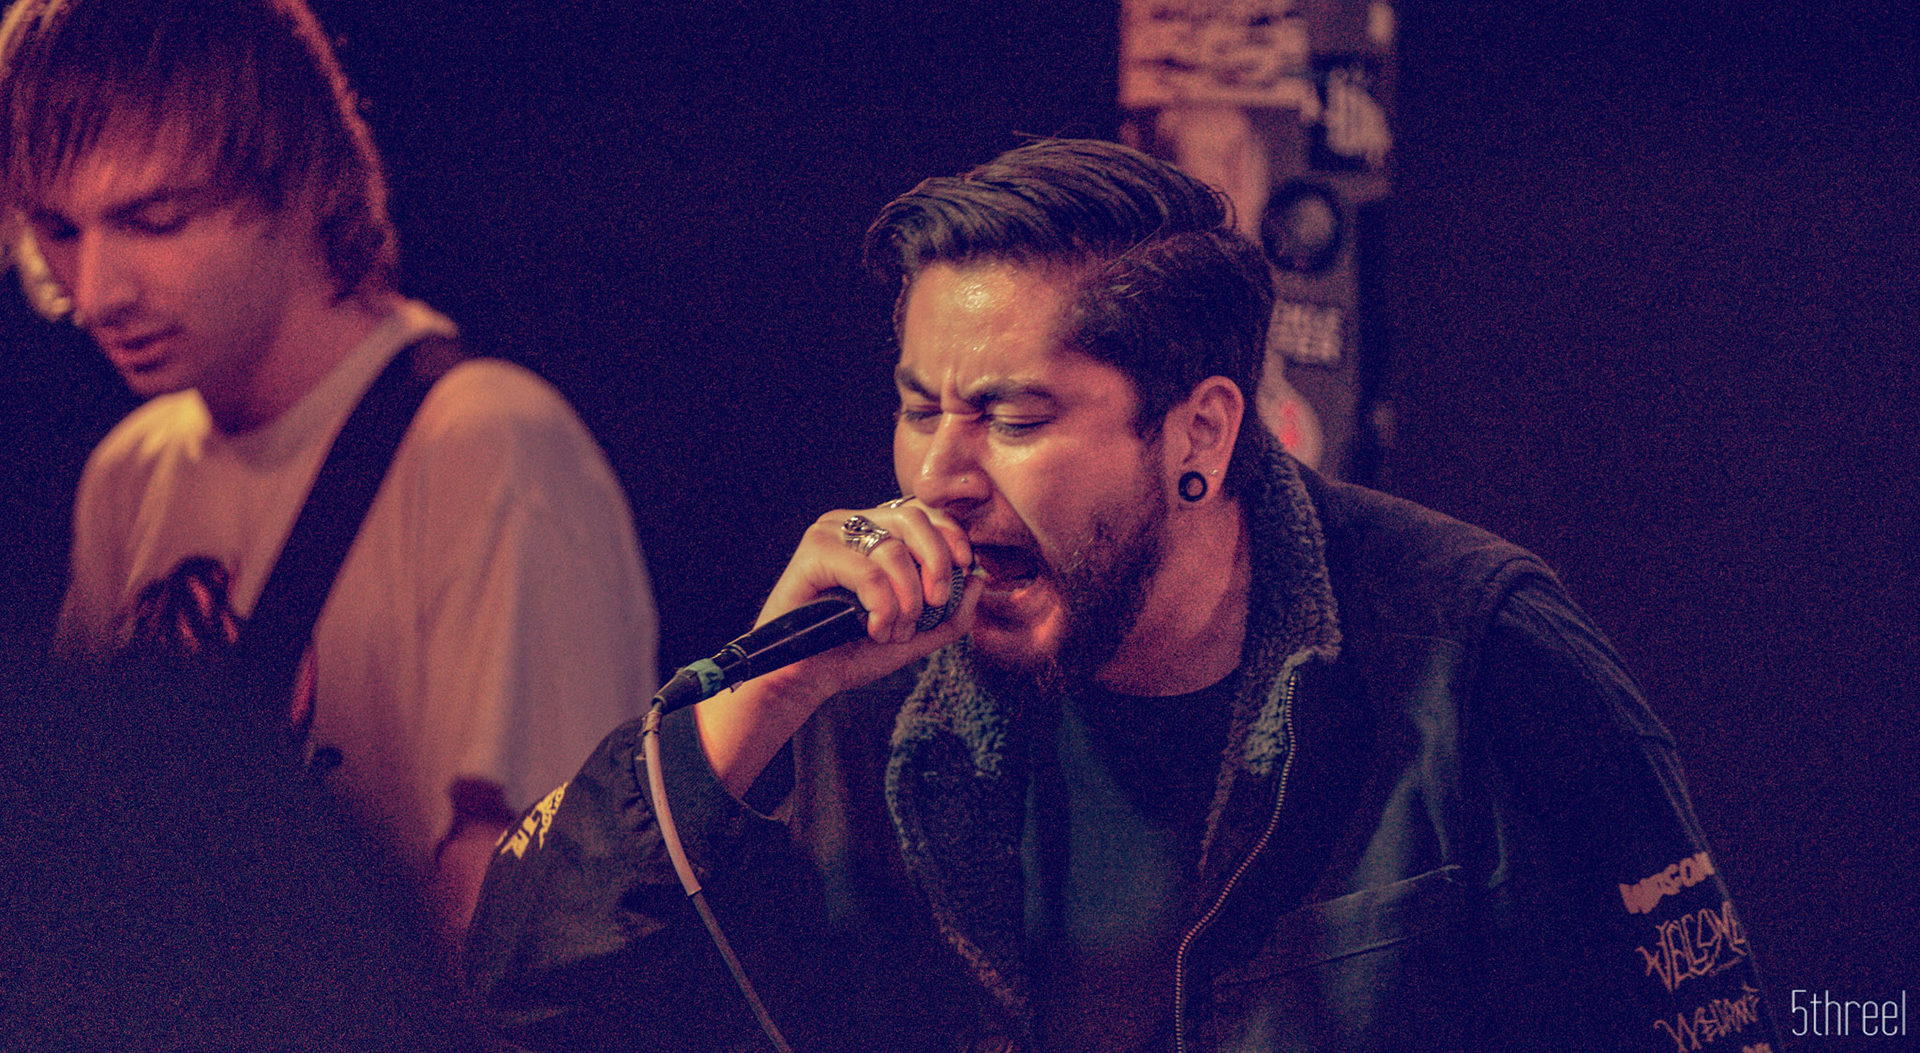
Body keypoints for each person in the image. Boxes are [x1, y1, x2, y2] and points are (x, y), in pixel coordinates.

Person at [464, 139, 1778, 1051]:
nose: (939, 476)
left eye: (1014, 417)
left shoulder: (1480, 655)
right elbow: (520, 987)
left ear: (1198, 433)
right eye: (919, 408)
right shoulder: (853, 689)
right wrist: (772, 681)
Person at [0, 0, 660, 947]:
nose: (96, 292)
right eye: (58, 229)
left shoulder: (489, 447)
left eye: (156, 219)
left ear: (302, 178)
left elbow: (534, 927)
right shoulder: (128, 474)